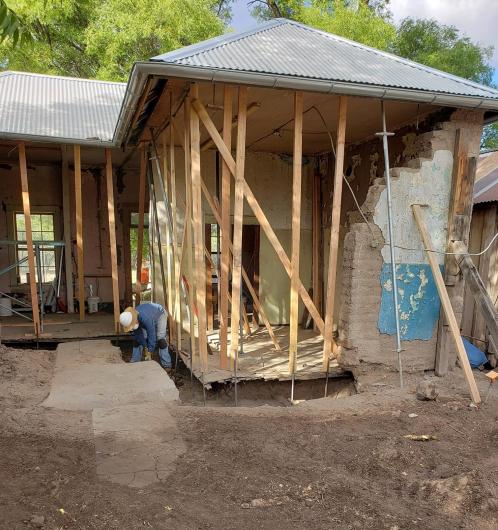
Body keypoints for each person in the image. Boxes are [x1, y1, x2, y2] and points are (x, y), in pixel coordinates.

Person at [119, 303, 172, 371]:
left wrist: (150, 350)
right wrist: (145, 346)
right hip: (148, 315)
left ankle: (167, 364)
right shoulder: (132, 317)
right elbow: (139, 336)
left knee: (160, 339)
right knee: (137, 340)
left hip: (160, 314)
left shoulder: (145, 318)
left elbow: (151, 334)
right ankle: (135, 361)